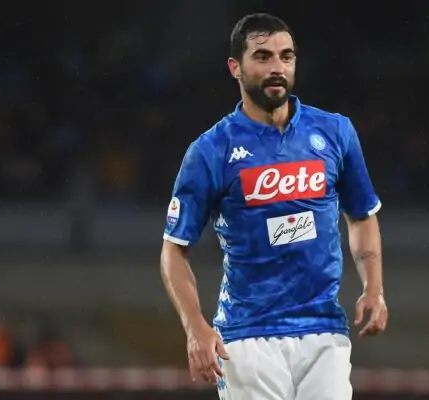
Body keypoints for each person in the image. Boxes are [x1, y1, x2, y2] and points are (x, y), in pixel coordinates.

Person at [160, 13, 388, 400]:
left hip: (324, 330)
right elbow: (173, 250)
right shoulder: (211, 151)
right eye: (262, 56)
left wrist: (374, 288)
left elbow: (362, 216)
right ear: (235, 67)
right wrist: (195, 326)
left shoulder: (335, 132)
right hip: (248, 336)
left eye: (286, 56)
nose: (277, 67)